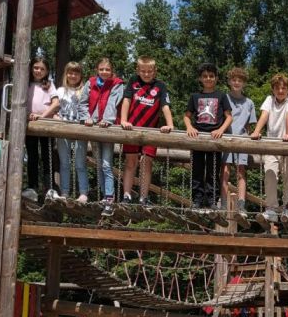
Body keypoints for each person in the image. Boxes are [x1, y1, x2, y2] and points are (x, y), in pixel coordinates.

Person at [119, 56, 174, 205]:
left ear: (155, 71)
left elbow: (165, 105)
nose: (146, 74)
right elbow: (126, 100)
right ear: (138, 70)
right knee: (130, 162)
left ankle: (143, 197)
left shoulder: (160, 86)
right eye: (143, 71)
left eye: (149, 71)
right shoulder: (133, 81)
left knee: (147, 162)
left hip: (151, 130)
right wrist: (123, 120)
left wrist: (170, 124)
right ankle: (126, 195)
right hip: (132, 128)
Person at [183, 62, 233, 208]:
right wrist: (189, 127)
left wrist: (221, 130)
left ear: (216, 78)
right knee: (197, 170)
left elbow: (229, 117)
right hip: (198, 137)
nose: (208, 79)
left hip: (214, 139)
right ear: (200, 78)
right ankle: (197, 200)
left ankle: (212, 200)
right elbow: (186, 116)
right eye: (205, 76)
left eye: (211, 76)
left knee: (213, 171)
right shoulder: (195, 96)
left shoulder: (221, 96)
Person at [251, 73, 288, 225]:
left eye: (283, 88)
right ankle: (271, 209)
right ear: (273, 90)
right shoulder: (269, 100)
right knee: (270, 174)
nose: (281, 91)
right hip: (272, 144)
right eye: (277, 88)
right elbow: (264, 115)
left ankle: (287, 208)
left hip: (287, 144)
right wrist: (257, 131)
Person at [84, 57, 124, 216]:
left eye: (107, 69)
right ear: (97, 70)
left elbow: (113, 103)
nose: (104, 72)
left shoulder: (117, 84)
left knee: (107, 164)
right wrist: (87, 117)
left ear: (112, 71)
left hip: (108, 126)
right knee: (99, 163)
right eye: (101, 69)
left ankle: (109, 197)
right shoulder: (91, 83)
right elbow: (83, 102)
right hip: (93, 126)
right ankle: (103, 195)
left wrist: (107, 120)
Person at [220, 67, 256, 219]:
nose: (236, 83)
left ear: (244, 83)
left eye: (239, 80)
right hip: (226, 138)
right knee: (225, 171)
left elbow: (248, 126)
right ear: (229, 82)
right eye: (234, 80)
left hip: (242, 139)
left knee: (241, 172)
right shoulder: (224, 98)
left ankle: (241, 205)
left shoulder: (249, 103)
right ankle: (223, 203)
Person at [22, 57, 59, 202]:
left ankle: (50, 188)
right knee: (32, 156)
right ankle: (32, 187)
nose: (38, 71)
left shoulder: (49, 85)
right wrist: (27, 114)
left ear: (47, 71)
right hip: (30, 124)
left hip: (45, 125)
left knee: (47, 155)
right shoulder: (26, 83)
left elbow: (56, 103)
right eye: (36, 68)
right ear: (31, 68)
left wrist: (42, 116)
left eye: (42, 69)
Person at [55, 61, 89, 204]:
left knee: (80, 163)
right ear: (66, 74)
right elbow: (54, 108)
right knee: (64, 163)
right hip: (63, 129)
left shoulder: (85, 90)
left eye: (76, 73)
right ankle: (64, 192)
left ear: (80, 75)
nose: (73, 75)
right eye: (70, 73)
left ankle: (83, 193)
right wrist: (56, 117)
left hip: (80, 129)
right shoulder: (60, 91)